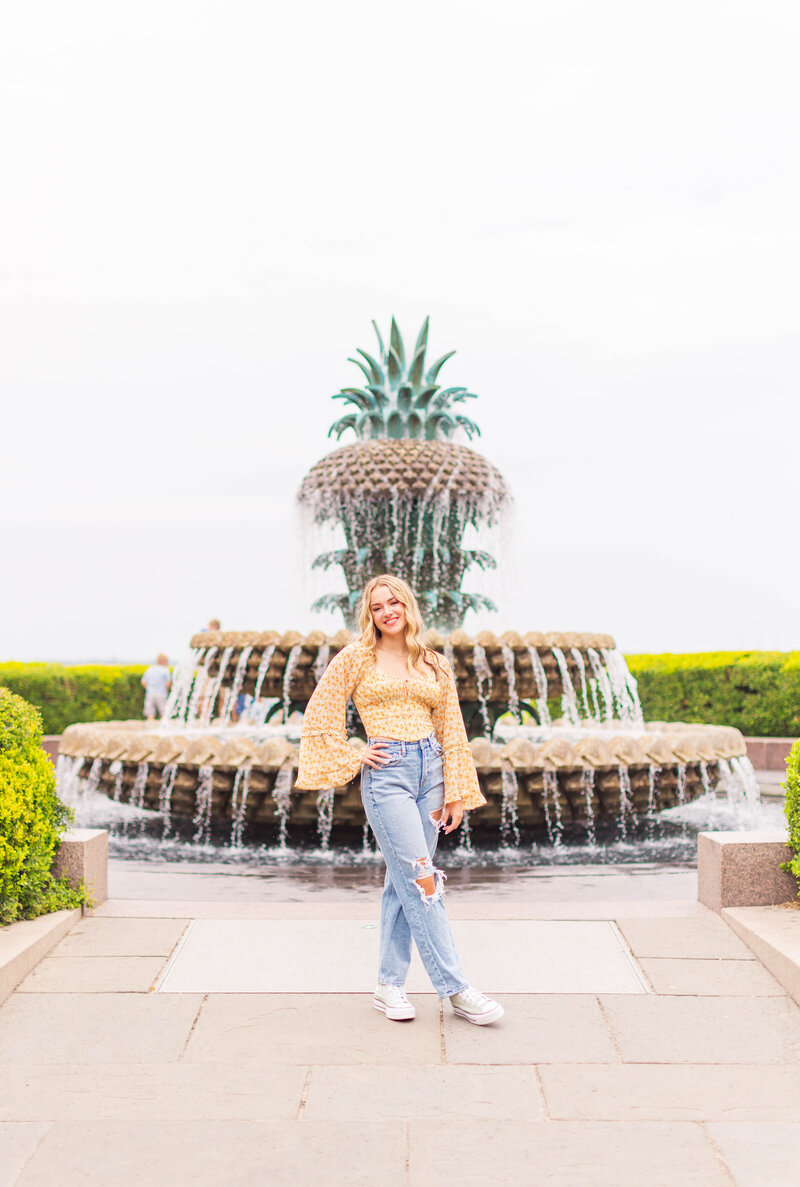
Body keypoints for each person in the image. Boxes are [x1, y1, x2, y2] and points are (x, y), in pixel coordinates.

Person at [295, 574, 504, 1026]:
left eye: (394, 602)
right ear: (369, 615)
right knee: (423, 880)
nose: (387, 611)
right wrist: (355, 750)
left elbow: (452, 729)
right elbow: (319, 712)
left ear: (408, 605)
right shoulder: (356, 657)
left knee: (403, 883)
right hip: (388, 776)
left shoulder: (433, 662)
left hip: (432, 773)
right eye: (377, 606)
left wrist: (457, 794)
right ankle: (456, 988)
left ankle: (389, 984)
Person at [141, 654, 171, 721]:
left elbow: (143, 681)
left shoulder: (150, 669)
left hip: (150, 693)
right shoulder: (165, 670)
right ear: (163, 661)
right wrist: (167, 690)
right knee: (163, 713)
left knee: (150, 714)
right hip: (161, 693)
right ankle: (163, 729)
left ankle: (150, 728)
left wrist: (148, 688)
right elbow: (168, 683)